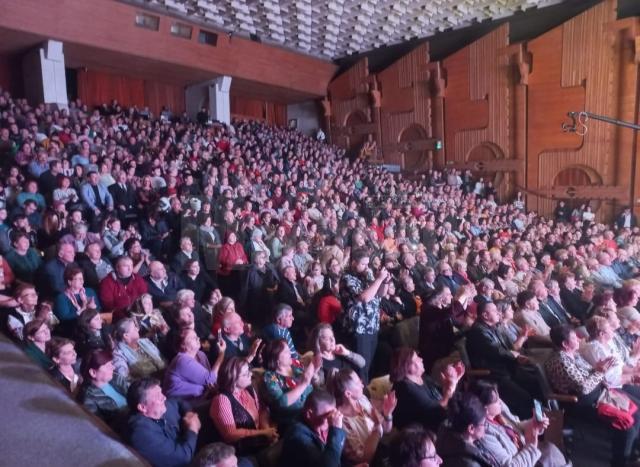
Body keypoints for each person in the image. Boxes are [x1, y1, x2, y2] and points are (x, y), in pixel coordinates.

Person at [545, 325, 640, 467]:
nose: (579, 339)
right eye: (574, 338)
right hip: (585, 403)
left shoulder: (573, 354)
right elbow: (583, 387)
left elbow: (590, 373)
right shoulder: (561, 361)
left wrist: (598, 370)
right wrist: (600, 372)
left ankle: (633, 452)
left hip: (600, 393)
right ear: (565, 344)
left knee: (637, 411)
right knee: (627, 426)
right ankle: (620, 462)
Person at [210, 357, 279, 457]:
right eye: (246, 373)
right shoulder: (222, 400)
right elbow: (231, 435)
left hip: (259, 442)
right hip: (241, 452)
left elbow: (262, 411)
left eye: (249, 370)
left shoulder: (248, 389)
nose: (251, 374)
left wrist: (267, 431)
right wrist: (262, 433)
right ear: (232, 378)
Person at [339, 249, 389, 382]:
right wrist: (378, 279)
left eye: (368, 264)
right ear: (354, 263)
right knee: (361, 366)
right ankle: (360, 397)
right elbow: (364, 297)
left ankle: (366, 394)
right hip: (358, 328)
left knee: (369, 365)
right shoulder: (347, 278)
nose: (367, 268)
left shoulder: (368, 276)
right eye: (363, 264)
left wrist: (385, 282)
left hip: (372, 326)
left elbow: (380, 294)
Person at [126, 377, 201, 467]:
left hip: (190, 445)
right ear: (143, 407)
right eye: (158, 396)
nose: (164, 398)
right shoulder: (141, 433)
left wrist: (189, 413)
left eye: (161, 393)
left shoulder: (161, 407)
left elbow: (179, 401)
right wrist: (192, 430)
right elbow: (182, 458)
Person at [390, 347, 464, 432]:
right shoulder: (406, 389)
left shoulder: (422, 378)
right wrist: (450, 389)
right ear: (408, 366)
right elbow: (435, 410)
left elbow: (442, 397)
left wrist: (451, 382)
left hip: (439, 421)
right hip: (423, 434)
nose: (421, 359)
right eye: (417, 358)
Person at [332, 368, 397, 465]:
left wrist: (388, 414)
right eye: (358, 383)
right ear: (348, 394)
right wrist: (376, 427)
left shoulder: (362, 399)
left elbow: (386, 429)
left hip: (384, 450)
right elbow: (364, 459)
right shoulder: (342, 421)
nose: (363, 384)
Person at [279, 389, 346, 467]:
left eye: (333, 414)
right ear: (309, 414)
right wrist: (336, 430)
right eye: (327, 416)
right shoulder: (297, 436)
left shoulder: (318, 426)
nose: (331, 420)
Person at [262, 338, 317, 430]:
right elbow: (281, 403)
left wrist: (314, 373)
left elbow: (311, 384)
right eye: (286, 352)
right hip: (294, 420)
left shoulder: (295, 364)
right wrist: (303, 384)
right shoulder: (271, 376)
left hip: (313, 409)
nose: (290, 353)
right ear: (276, 359)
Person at [163, 328, 225, 403]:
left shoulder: (200, 354)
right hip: (181, 405)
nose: (198, 338)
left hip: (200, 400)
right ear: (182, 345)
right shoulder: (182, 360)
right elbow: (210, 378)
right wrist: (221, 353)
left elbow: (210, 383)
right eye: (193, 338)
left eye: (196, 336)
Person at [436, 392, 494, 467]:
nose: (486, 427)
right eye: (484, 424)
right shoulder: (470, 464)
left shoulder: (446, 435)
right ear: (471, 429)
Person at [78, 349, 130, 429]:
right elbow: (101, 428)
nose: (113, 367)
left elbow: (134, 393)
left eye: (111, 364)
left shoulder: (116, 378)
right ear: (93, 373)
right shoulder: (87, 399)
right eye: (108, 366)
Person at [53, 266, 101, 335]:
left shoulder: (89, 291)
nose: (82, 281)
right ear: (69, 282)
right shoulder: (61, 297)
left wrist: (94, 308)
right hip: (73, 328)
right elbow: (64, 318)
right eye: (78, 279)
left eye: (82, 278)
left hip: (93, 325)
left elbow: (99, 308)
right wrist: (84, 309)